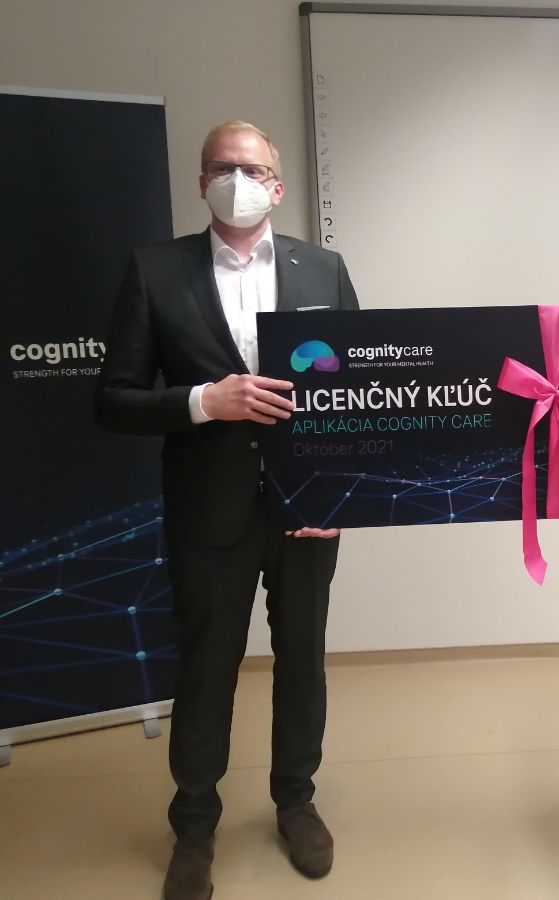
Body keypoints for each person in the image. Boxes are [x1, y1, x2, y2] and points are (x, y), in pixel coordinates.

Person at [95, 121, 359, 900]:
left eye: (252, 169)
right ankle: (194, 825)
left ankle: (296, 801)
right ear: (201, 179)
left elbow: (358, 395)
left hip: (307, 507)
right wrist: (203, 401)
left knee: (303, 660)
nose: (237, 179)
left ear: (277, 186)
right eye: (222, 166)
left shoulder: (324, 268)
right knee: (206, 667)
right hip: (207, 511)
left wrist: (343, 491)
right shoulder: (155, 271)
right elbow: (113, 400)